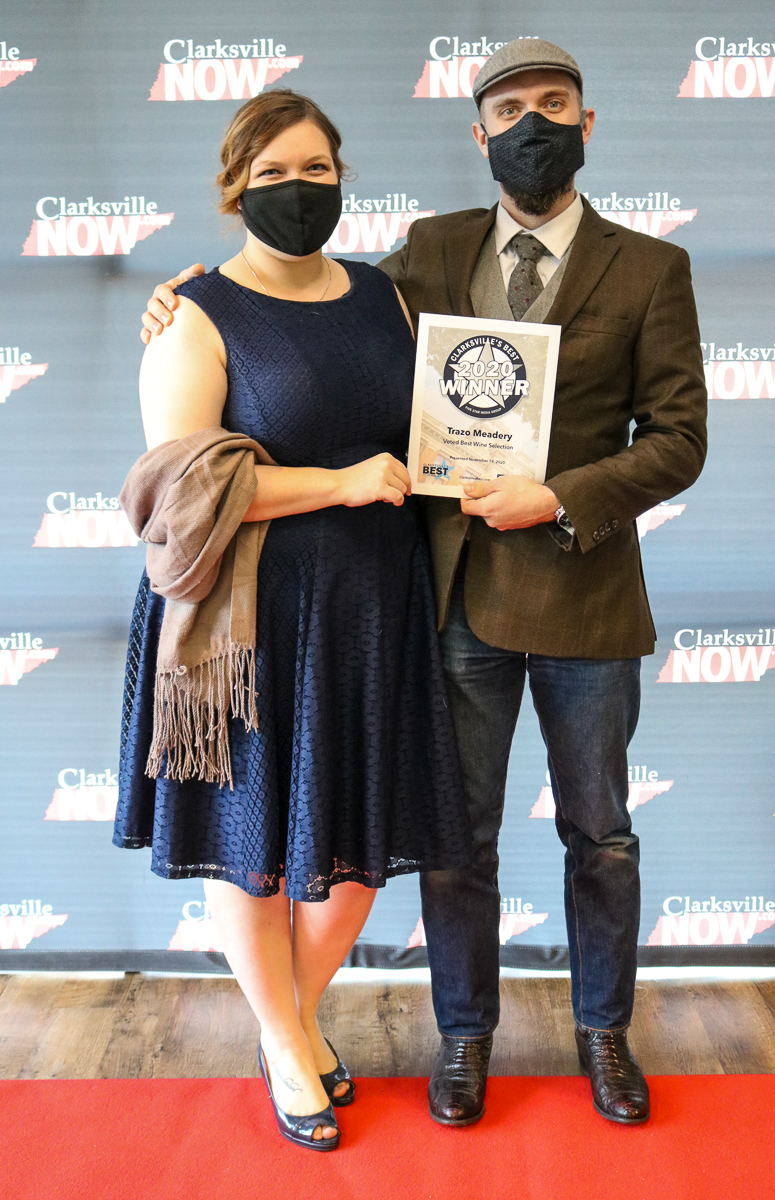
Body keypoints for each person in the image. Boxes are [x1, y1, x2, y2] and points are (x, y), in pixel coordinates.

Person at [140, 41, 707, 1128]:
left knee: (601, 834)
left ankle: (603, 1034)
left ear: (585, 124)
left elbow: (678, 440)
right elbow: (289, 297)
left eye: (553, 105)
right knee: (457, 840)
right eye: (510, 109)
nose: (532, 126)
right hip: (451, 601)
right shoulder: (425, 255)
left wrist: (558, 496)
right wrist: (181, 297)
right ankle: (463, 1038)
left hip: (586, 595)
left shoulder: (650, 268)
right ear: (477, 134)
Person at [116, 89, 470, 1152]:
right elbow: (184, 493)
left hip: (373, 611)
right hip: (244, 625)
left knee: (356, 852)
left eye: (316, 169)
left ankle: (293, 1018)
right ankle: (286, 1042)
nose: (298, 190)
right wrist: (342, 484)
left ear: (341, 177)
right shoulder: (193, 315)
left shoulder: (385, 295)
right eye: (272, 174)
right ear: (235, 189)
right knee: (250, 846)